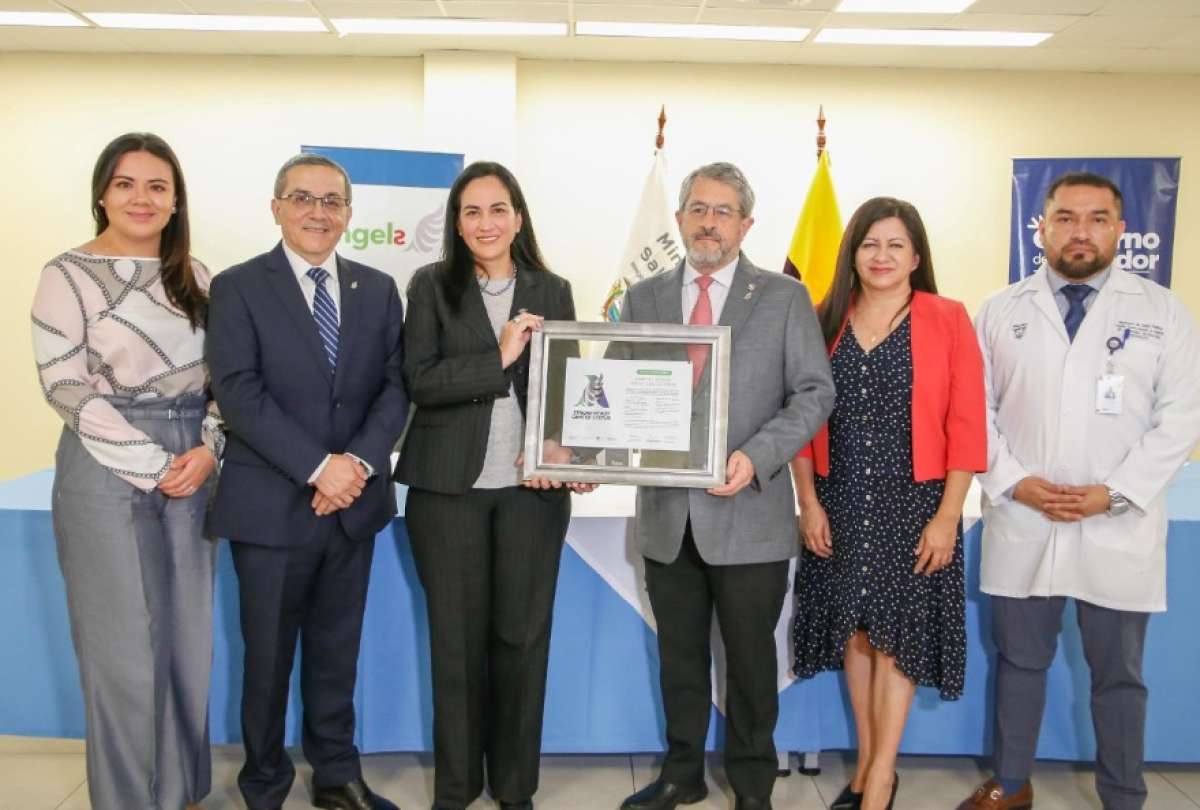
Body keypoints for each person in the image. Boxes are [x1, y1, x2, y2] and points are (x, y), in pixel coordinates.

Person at [957, 172, 1200, 810]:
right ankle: (1010, 784)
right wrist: (1015, 481)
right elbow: (972, 411)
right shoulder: (1000, 310)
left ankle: (1124, 794)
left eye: (1097, 218)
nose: (1081, 231)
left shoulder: (1162, 313)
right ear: (1042, 226)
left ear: (1121, 229)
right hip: (1023, 517)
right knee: (1019, 664)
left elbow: (1180, 419)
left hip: (1117, 525)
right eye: (1065, 217)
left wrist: (1113, 493)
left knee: (1119, 676)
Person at [617, 162, 835, 810]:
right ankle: (682, 774)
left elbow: (814, 393)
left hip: (751, 513)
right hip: (665, 517)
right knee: (680, 661)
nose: (708, 222)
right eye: (698, 208)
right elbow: (621, 391)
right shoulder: (643, 296)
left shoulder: (783, 297)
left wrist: (756, 455)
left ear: (746, 224)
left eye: (723, 211)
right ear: (681, 217)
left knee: (748, 666)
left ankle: (751, 788)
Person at [206, 153, 409, 810]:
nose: (318, 212)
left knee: (336, 652)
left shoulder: (378, 289)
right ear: (276, 207)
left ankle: (336, 775)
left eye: (332, 201)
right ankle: (263, 782)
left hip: (352, 508)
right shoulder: (238, 287)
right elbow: (238, 393)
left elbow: (393, 389)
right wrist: (322, 468)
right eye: (303, 198)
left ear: (349, 213)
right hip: (271, 507)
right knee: (265, 659)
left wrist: (357, 468)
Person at [31, 132, 219, 810]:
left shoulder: (196, 276)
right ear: (101, 194)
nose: (142, 198)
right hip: (103, 464)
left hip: (193, 467)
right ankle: (129, 799)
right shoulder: (67, 273)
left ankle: (181, 788)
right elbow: (64, 385)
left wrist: (209, 449)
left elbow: (226, 380)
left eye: (157, 186)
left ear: (175, 202)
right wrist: (152, 462)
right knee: (122, 649)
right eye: (126, 183)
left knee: (187, 639)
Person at [395, 161, 589, 810]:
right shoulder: (430, 287)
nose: (486, 222)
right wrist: (498, 356)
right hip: (448, 492)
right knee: (455, 644)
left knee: (522, 642)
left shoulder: (552, 289)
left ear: (518, 217)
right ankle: (454, 790)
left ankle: (514, 788)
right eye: (472, 211)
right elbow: (419, 381)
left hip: (532, 495)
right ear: (456, 222)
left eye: (498, 209)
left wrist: (571, 451)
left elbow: (563, 391)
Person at [789, 197, 987, 810]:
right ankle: (867, 770)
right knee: (855, 633)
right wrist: (808, 503)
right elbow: (796, 417)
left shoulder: (947, 318)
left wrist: (948, 517)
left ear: (916, 257)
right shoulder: (825, 319)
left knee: (895, 637)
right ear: (853, 253)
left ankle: (879, 779)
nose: (881, 256)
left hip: (916, 503)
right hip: (840, 498)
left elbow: (966, 424)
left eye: (895, 245)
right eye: (870, 244)